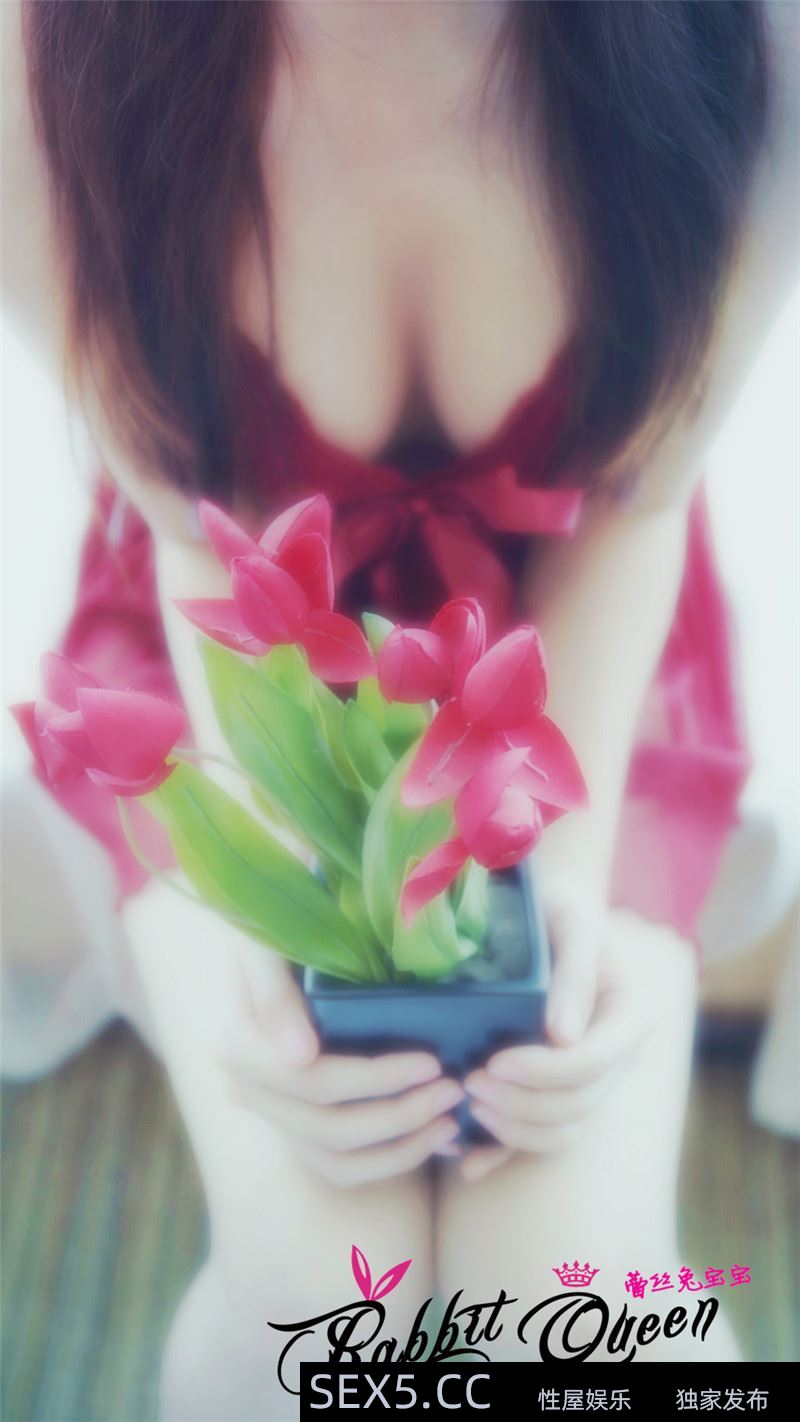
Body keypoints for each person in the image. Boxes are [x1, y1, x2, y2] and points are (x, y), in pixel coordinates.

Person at [3, 1, 798, 1414]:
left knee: (574, 1302)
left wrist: (556, 885)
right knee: (312, 1323)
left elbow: (642, 497)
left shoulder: (757, 40)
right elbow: (192, 525)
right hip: (228, 653)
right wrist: (279, 915)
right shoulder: (44, 54)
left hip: (579, 637)